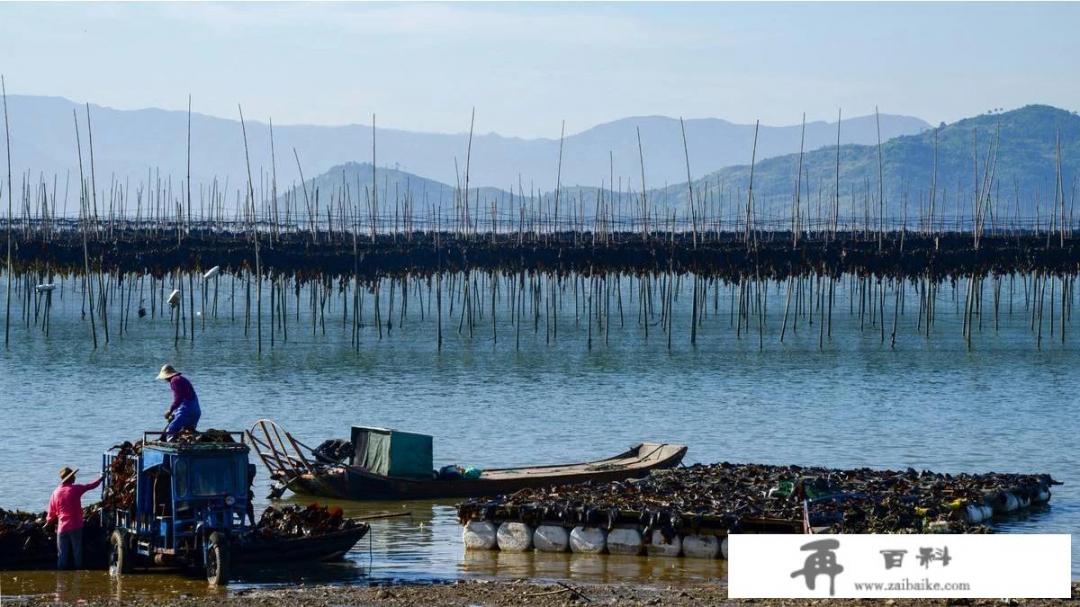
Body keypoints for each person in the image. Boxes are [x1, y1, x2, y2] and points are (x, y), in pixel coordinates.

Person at [46, 467, 103, 570]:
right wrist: (100, 479)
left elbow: (51, 513)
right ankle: (78, 574)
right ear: (70, 478)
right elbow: (90, 486)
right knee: (77, 552)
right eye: (73, 476)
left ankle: (62, 577)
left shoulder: (55, 493)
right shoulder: (75, 489)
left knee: (62, 555)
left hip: (62, 528)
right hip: (76, 526)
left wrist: (49, 521)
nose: (75, 477)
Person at [157, 364, 201, 436]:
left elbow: (178, 398)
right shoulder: (182, 379)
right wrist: (174, 413)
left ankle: (169, 446)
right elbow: (185, 398)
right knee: (189, 433)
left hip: (186, 411)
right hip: (196, 410)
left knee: (170, 431)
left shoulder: (175, 380)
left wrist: (170, 410)